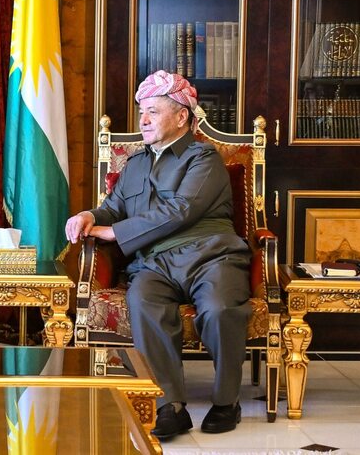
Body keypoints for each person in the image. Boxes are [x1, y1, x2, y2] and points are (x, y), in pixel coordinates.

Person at [65, 70, 251, 439]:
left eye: (153, 111)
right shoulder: (135, 164)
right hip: (153, 263)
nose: (143, 120)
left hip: (211, 256)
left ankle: (226, 401)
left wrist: (116, 232)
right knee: (143, 300)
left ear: (181, 116)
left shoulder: (203, 158)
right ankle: (169, 406)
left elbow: (182, 209)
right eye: (141, 112)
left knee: (219, 309)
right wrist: (91, 216)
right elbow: (114, 208)